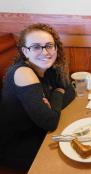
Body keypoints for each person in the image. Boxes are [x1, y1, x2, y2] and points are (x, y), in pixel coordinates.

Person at [0, 23, 75, 171]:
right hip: (19, 144)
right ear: (25, 51)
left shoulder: (47, 68)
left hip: (40, 132)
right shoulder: (23, 72)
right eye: (35, 47)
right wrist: (58, 93)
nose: (45, 52)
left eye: (49, 45)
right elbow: (50, 121)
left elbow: (70, 91)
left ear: (56, 48)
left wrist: (55, 98)